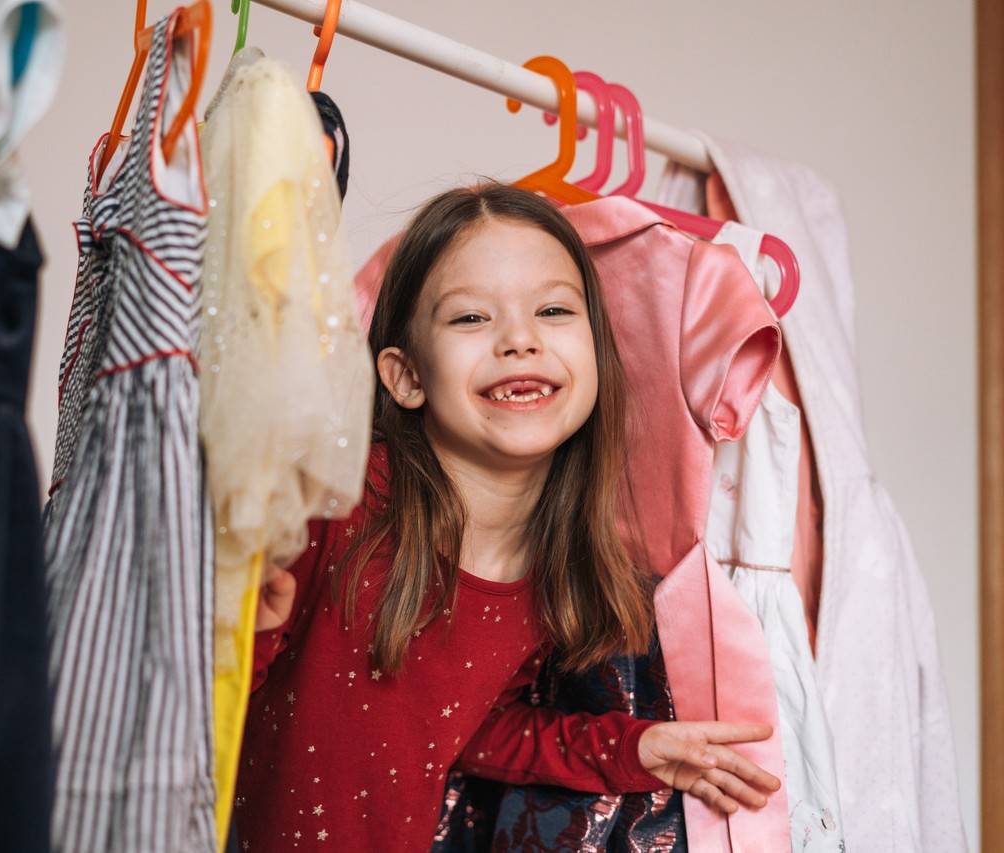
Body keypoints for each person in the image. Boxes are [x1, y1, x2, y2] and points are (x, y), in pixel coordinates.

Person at [230, 184, 780, 852]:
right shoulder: (334, 500)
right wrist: (235, 628)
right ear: (406, 377)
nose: (520, 339)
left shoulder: (554, 559)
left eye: (552, 310)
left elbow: (474, 729)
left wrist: (635, 747)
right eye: (470, 319)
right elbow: (200, 708)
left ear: (598, 359)